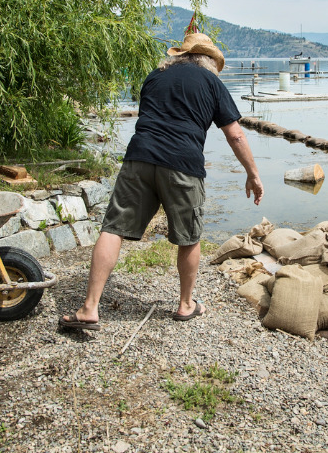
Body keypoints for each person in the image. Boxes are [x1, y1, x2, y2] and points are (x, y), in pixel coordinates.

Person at [59, 33, 263, 330]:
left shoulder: (155, 76)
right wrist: (253, 174)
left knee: (113, 229)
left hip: (139, 158)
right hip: (183, 164)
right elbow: (236, 135)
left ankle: (89, 307)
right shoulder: (211, 82)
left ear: (181, 55)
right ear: (209, 61)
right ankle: (186, 304)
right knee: (189, 237)